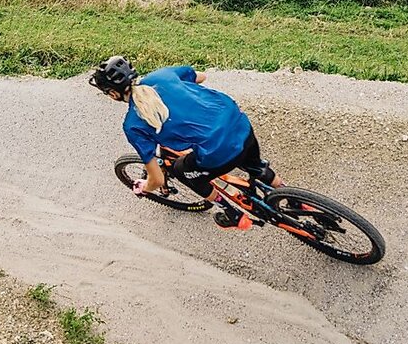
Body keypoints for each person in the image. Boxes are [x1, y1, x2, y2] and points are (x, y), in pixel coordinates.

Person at [90, 56, 282, 230]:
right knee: (255, 165)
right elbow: (201, 76)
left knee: (183, 171)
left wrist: (144, 188)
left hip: (218, 150)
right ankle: (291, 198)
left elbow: (156, 180)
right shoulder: (163, 75)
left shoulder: (133, 124)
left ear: (113, 94)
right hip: (239, 123)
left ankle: (232, 214)